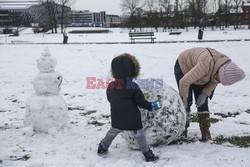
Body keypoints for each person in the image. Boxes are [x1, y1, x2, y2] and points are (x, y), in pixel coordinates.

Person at [97, 53, 161, 162]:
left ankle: (102, 147)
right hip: (133, 118)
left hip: (117, 116)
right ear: (132, 70)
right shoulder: (133, 86)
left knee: (113, 131)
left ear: (114, 71)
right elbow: (141, 103)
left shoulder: (111, 85)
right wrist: (153, 106)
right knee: (139, 135)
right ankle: (147, 153)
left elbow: (110, 99)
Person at [174, 47, 245, 141]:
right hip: (184, 66)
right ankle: (183, 131)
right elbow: (184, 82)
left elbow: (214, 80)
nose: (218, 82)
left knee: (202, 102)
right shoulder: (206, 64)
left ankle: (205, 131)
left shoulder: (222, 66)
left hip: (203, 73)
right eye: (220, 80)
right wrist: (184, 100)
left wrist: (205, 93)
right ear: (220, 72)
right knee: (187, 101)